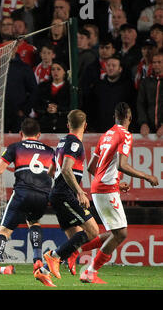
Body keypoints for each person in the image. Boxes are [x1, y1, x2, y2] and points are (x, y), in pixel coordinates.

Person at [81, 102, 159, 283]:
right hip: (106, 188)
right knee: (121, 234)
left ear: (114, 117)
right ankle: (90, 271)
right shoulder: (125, 135)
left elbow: (92, 168)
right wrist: (147, 176)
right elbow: (121, 165)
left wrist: (116, 183)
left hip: (98, 187)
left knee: (114, 232)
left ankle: (72, 251)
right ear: (129, 118)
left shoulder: (106, 135)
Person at [35, 109, 100, 287]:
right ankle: (52, 256)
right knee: (93, 231)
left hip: (59, 193)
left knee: (77, 237)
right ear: (85, 126)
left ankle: (44, 272)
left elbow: (51, 171)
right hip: (65, 194)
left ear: (67, 124)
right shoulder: (75, 144)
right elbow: (65, 169)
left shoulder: (62, 142)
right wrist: (79, 191)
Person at [0, 118, 55, 274]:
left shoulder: (15, 147)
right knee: (34, 222)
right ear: (39, 134)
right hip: (43, 194)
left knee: (4, 231)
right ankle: (38, 260)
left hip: (23, 192)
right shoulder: (50, 151)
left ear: (20, 133)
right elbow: (53, 173)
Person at [88, 55, 136, 133]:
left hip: (121, 132)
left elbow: (132, 108)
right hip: (100, 131)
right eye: (108, 65)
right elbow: (92, 108)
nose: (110, 68)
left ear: (120, 69)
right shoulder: (98, 86)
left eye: (114, 66)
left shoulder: (128, 87)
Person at [137, 51, 163, 137]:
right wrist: (143, 123)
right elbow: (140, 104)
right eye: (154, 62)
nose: (156, 65)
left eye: (159, 62)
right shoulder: (145, 82)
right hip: (148, 130)